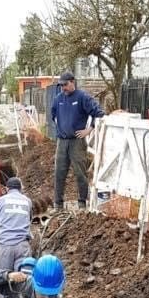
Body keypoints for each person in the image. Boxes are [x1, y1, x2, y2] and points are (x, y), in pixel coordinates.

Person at [50, 72, 105, 212]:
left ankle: (82, 203)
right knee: (59, 173)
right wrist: (61, 128)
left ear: (72, 82)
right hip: (62, 142)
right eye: (61, 85)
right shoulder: (58, 99)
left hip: (77, 142)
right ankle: (58, 204)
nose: (63, 88)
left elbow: (98, 113)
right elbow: (53, 115)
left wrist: (89, 129)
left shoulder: (82, 97)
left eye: (65, 85)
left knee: (80, 173)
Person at [0, 177, 33, 272]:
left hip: (5, 245)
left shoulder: (1, 200)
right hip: (23, 245)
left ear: (7, 188)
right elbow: (29, 219)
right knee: (23, 277)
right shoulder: (27, 201)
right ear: (20, 189)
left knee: (5, 277)